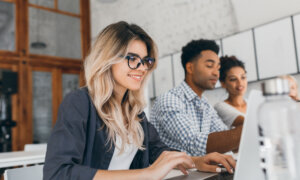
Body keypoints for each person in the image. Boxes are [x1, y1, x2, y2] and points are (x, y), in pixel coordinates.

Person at [43, 22, 235, 180]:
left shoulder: (134, 111)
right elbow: (58, 173)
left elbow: (157, 150)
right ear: (107, 58)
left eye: (145, 61)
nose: (142, 68)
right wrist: (147, 174)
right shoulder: (79, 103)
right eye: (133, 58)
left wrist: (196, 162)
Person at [150, 39, 243, 157]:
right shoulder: (169, 100)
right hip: (173, 174)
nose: (216, 73)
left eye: (218, 68)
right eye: (210, 66)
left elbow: (223, 134)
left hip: (196, 173)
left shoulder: (204, 104)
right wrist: (246, 131)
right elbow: (194, 143)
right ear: (190, 68)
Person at [214, 56, 247, 128]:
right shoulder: (220, 107)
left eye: (243, 77)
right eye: (233, 79)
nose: (240, 83)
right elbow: (246, 123)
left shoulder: (251, 103)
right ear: (223, 84)